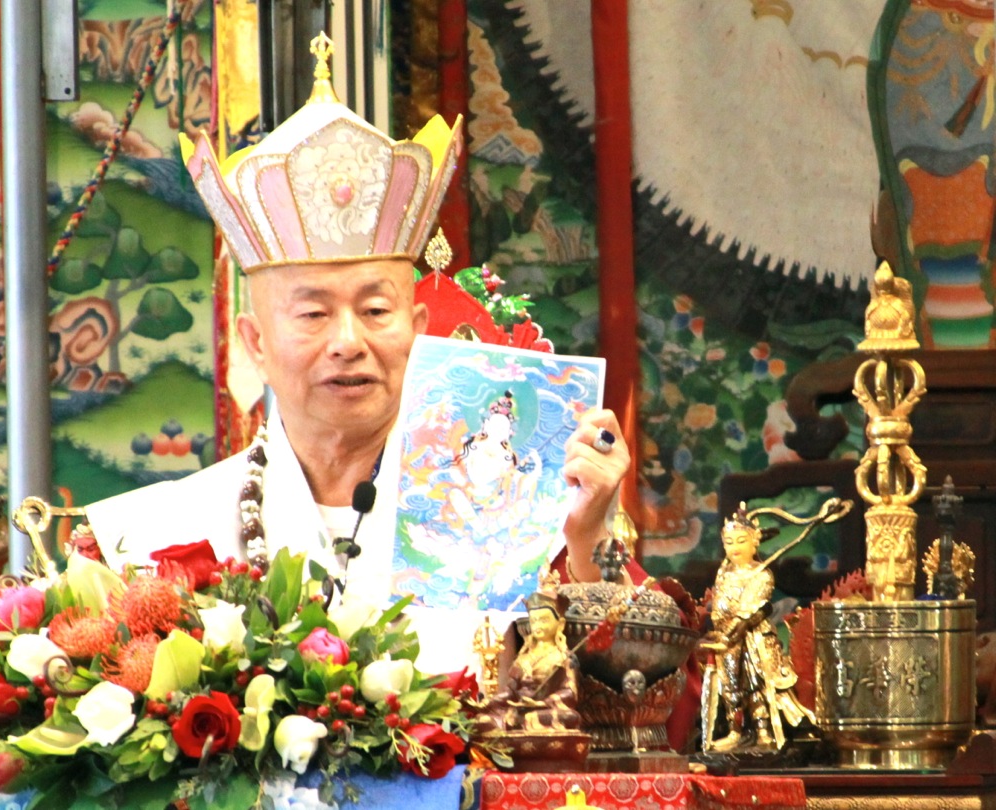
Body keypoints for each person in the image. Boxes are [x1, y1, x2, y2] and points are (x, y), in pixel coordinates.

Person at [85, 33, 630, 674]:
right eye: (313, 314)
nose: (349, 342)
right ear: (256, 343)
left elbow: (627, 694)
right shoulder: (154, 539)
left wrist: (588, 538)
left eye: (375, 311)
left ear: (418, 331)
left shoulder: (515, 510)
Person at [700, 506, 814, 752]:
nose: (735, 547)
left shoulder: (761, 575)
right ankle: (735, 731)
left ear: (754, 543)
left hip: (752, 638)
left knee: (755, 682)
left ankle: (763, 731)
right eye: (729, 542)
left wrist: (734, 630)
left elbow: (753, 609)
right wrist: (720, 633)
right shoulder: (724, 574)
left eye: (741, 541)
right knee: (730, 684)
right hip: (725, 639)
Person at [475, 590, 580, 734]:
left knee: (568, 717)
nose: (537, 625)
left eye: (544, 620)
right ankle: (515, 726)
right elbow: (510, 691)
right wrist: (489, 702)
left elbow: (570, 692)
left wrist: (541, 703)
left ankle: (521, 726)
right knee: (482, 720)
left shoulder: (563, 657)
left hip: (545, 710)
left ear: (560, 624)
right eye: (534, 621)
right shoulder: (524, 657)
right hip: (518, 710)